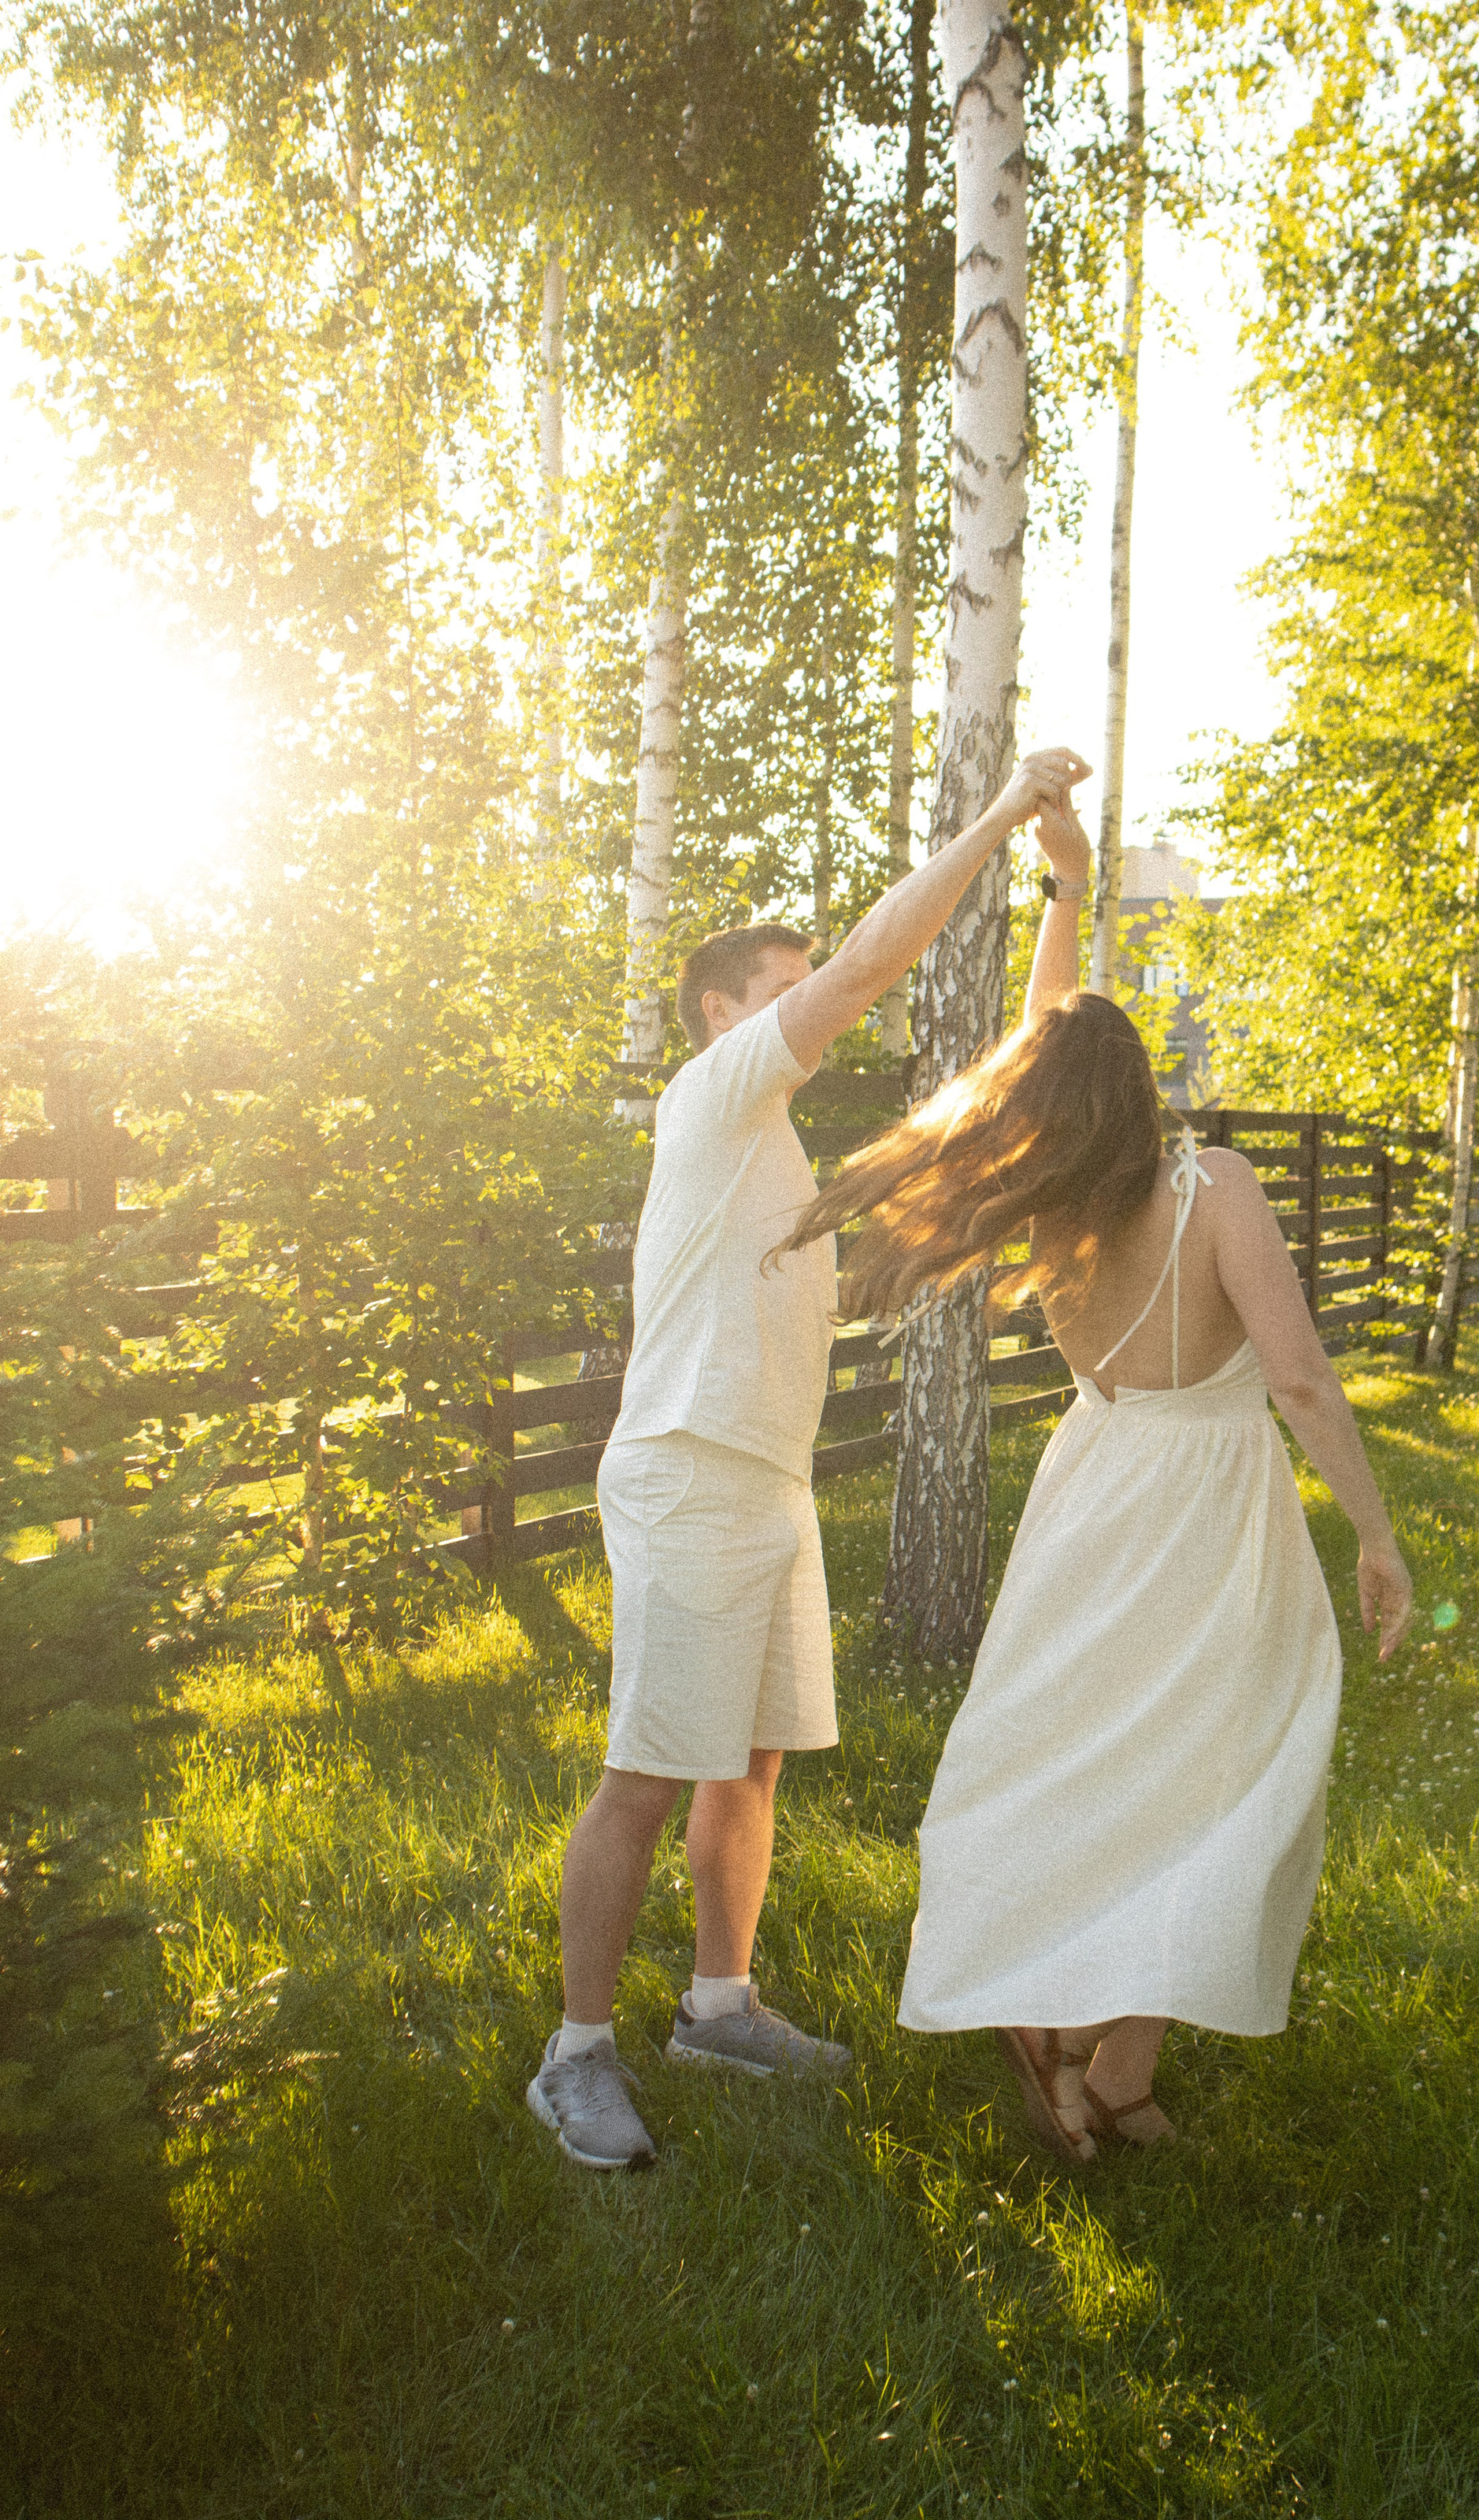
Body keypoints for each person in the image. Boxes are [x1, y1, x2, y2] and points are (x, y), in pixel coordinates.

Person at [781, 793, 1414, 2161]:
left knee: (1101, 1762)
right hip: (1207, 1508)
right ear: (1137, 1091)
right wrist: (1375, 1537)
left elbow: (1044, 1044)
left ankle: (1101, 2067)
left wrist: (1065, 894)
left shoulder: (1055, 1202)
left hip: (1093, 1490)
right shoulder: (1215, 1187)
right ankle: (1090, 2051)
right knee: (1225, 1772)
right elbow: (1300, 1382)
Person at [526, 744, 1093, 2171]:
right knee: (647, 1774)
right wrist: (1001, 815)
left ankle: (720, 2005)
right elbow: (867, 966)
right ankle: (574, 2056)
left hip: (767, 1484)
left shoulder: (776, 1156)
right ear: (722, 1012)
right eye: (783, 989)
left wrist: (1063, 912)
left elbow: (971, 1135)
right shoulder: (714, 1096)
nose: (814, 1005)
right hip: (687, 1469)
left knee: (752, 1767)